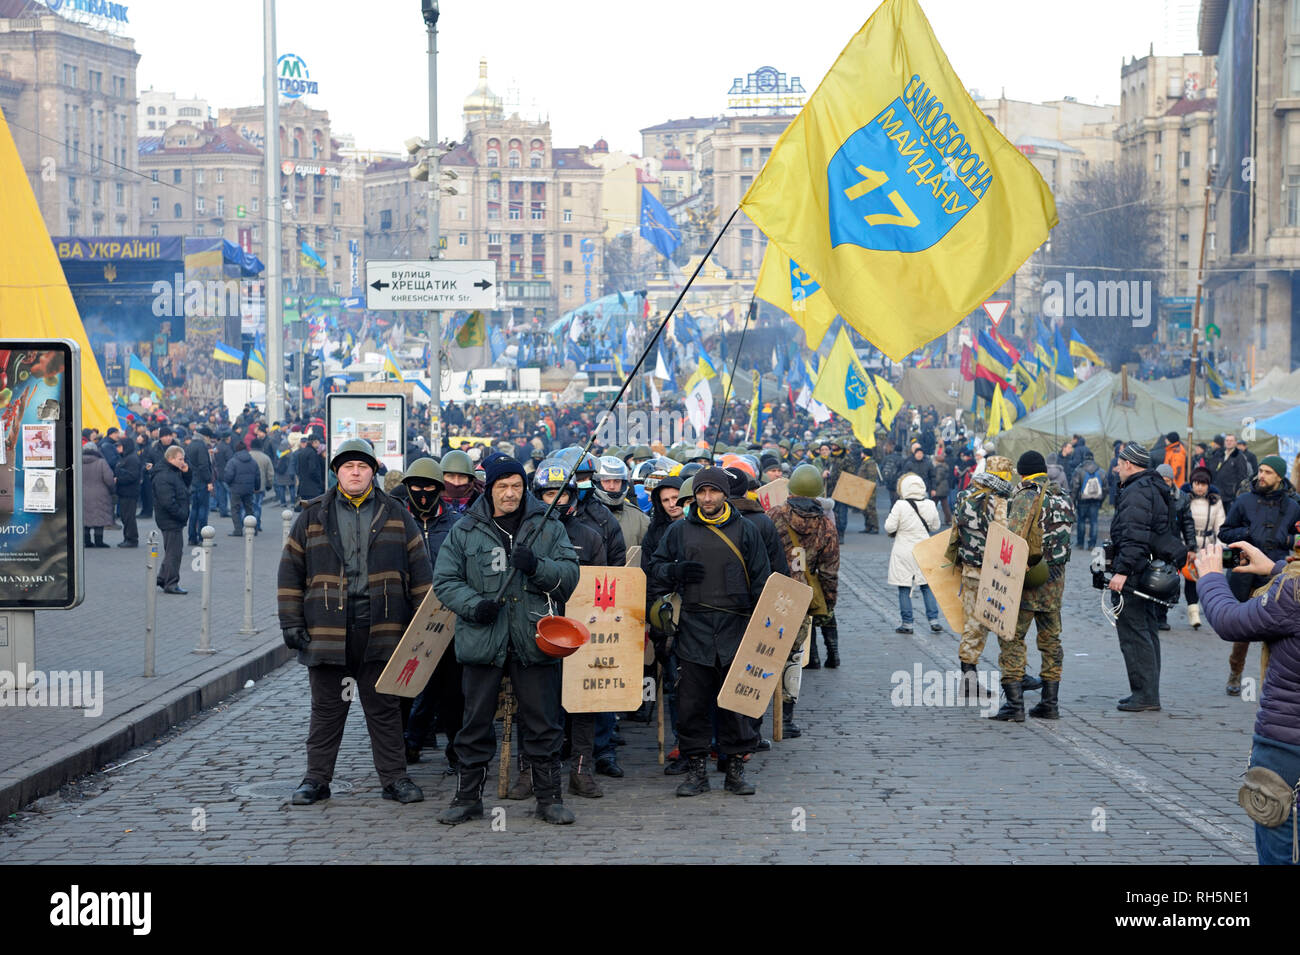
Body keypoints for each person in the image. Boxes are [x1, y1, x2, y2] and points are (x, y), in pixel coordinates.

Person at [277, 438, 430, 807]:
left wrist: (421, 627)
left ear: (374, 471)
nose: (356, 472)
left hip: (382, 630)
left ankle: (395, 779)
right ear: (336, 473)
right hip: (328, 632)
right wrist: (291, 622)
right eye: (348, 467)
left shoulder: (396, 513)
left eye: (362, 466)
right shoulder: (313, 515)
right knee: (327, 711)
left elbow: (421, 571)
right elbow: (290, 573)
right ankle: (316, 780)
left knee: (384, 709)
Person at [433, 455, 580, 826]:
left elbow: (569, 576)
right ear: (490, 488)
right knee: (474, 724)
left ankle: (549, 799)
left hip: (534, 639)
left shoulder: (547, 526)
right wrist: (474, 605)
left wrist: (537, 567)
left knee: (544, 723)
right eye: (502, 486)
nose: (510, 494)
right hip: (483, 638)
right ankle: (468, 798)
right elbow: (446, 580)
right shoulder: (465, 529)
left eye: (516, 485)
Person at [648, 466, 772, 797]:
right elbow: (654, 571)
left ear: (724, 494)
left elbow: (763, 581)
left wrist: (760, 629)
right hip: (693, 629)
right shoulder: (678, 532)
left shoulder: (747, 531)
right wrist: (675, 570)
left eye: (713, 492)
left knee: (734, 704)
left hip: (737, 628)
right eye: (701, 492)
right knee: (692, 705)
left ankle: (734, 769)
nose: (707, 498)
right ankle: (696, 770)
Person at [1195, 539, 1300, 865]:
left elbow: (1229, 620)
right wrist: (1275, 568)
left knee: (1280, 851)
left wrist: (1210, 577)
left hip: (1286, 748)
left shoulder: (1292, 592)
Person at [993, 451, 1075, 722]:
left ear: (1023, 472)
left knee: (1012, 638)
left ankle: (1014, 706)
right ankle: (1050, 704)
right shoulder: (1062, 496)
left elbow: (1013, 538)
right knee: (1051, 641)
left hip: (1029, 580)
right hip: (1056, 582)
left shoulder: (1027, 496)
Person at [1217, 454, 1300, 695]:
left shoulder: (1293, 506)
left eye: (1267, 472)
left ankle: (1274, 680)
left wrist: (1286, 539)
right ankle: (1235, 672)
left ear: (1279, 476)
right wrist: (1246, 532)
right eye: (1260, 471)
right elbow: (1225, 533)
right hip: (1245, 575)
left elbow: (1298, 538)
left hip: (1275, 574)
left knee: (1276, 630)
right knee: (1243, 629)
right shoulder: (1244, 501)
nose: (1261, 476)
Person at [398, 457, 462, 771]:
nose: (422, 492)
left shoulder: (455, 524)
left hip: (447, 616)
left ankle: (455, 749)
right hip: (406, 617)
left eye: (429, 487)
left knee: (450, 690)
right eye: (416, 487)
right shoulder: (397, 521)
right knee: (407, 685)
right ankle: (407, 744)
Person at [768, 463, 839, 737]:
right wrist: (828, 606)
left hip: (771, 596)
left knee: (763, 650)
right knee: (793, 658)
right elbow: (830, 572)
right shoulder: (826, 527)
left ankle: (755, 712)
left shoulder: (772, 516)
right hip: (801, 599)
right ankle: (786, 718)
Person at [1108, 442, 1172, 712]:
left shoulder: (1137, 492)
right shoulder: (1151, 486)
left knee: (1135, 633)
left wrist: (1122, 571)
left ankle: (1145, 695)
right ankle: (1147, 691)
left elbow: (1134, 535)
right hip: (1148, 571)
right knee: (1147, 630)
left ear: (1129, 465)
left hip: (1134, 573)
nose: (1117, 468)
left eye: (1120, 464)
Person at [951, 455, 1015, 693]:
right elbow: (1005, 537)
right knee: (1003, 625)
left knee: (971, 625)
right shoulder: (999, 502)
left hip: (968, 570)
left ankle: (968, 680)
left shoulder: (964, 497)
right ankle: (1013, 678)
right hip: (992, 573)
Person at [885, 472, 942, 634]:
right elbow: (935, 526)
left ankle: (907, 623)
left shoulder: (900, 505)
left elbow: (889, 527)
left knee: (904, 587)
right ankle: (934, 619)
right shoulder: (930, 504)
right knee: (926, 585)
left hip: (903, 550)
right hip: (924, 548)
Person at [1185, 466, 1225, 629]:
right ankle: (1193, 611)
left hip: (1208, 546)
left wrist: (1220, 547)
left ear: (1208, 485)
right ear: (1192, 484)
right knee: (1189, 578)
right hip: (1189, 544)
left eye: (1203, 484)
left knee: (1206, 580)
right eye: (1197, 483)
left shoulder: (1216, 501)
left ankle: (1209, 610)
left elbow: (1221, 525)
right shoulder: (1184, 499)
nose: (1200, 487)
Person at [152, 445, 191, 595]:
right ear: (171, 458)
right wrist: (181, 514)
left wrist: (186, 472)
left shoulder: (173, 471)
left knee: (172, 550)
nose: (183, 462)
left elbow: (184, 486)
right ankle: (171, 583)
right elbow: (167, 501)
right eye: (180, 459)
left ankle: (162, 577)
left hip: (172, 518)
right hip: (170, 519)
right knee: (174, 552)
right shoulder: (163, 475)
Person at [81, 440, 116, 549]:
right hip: (100, 493)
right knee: (99, 517)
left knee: (85, 518)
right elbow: (109, 479)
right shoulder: (101, 462)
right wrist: (112, 489)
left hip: (82, 494)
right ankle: (99, 541)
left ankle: (87, 541)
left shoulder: (78, 462)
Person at [223, 441, 261, 536]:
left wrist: (229, 484)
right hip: (249, 489)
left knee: (235, 509)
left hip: (236, 489)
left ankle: (238, 530)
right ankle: (253, 529)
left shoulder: (233, 461)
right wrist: (257, 487)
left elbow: (228, 476)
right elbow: (257, 476)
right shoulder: (253, 462)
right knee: (249, 509)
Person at [1070, 449, 1106, 550]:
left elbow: (1075, 487)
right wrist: (1101, 500)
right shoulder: (1101, 471)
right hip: (1095, 501)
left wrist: (1073, 501)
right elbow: (1106, 488)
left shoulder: (1079, 470)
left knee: (1081, 521)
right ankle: (1092, 544)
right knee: (1094, 522)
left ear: (1084, 458)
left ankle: (1080, 543)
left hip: (1082, 500)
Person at [185, 427, 215, 546]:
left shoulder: (191, 445)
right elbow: (203, 466)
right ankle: (203, 537)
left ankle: (192, 537)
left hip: (193, 480)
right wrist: (209, 481)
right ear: (205, 436)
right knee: (203, 510)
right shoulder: (202, 446)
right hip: (201, 481)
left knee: (194, 510)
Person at [113, 434, 142, 548]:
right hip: (124, 492)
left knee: (129, 517)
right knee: (125, 516)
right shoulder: (125, 457)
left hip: (130, 492)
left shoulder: (132, 459)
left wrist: (118, 479)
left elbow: (132, 476)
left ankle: (131, 539)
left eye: (119, 446)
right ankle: (127, 538)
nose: (117, 448)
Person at [293, 431, 326, 508]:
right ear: (314, 442)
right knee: (313, 509)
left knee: (305, 510)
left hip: (303, 487)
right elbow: (313, 470)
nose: (319, 445)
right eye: (318, 442)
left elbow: (298, 469)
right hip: (312, 488)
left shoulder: (301, 452)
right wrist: (319, 481)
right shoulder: (312, 453)